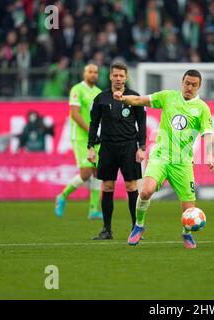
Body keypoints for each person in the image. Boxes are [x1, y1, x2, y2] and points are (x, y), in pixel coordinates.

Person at [113, 69, 214, 249]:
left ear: (199, 87)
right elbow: (139, 100)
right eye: (187, 83)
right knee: (145, 191)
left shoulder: (202, 109)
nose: (189, 87)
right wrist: (123, 98)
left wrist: (209, 155)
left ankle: (187, 234)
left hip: (182, 163)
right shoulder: (168, 97)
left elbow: (207, 134)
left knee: (189, 208)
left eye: (194, 85)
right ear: (182, 82)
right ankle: (138, 225)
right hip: (160, 157)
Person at [88, 62, 147, 240]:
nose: (119, 78)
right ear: (110, 76)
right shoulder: (101, 98)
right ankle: (107, 230)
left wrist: (142, 147)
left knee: (131, 186)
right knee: (107, 186)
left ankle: (135, 229)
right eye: (115, 75)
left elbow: (142, 123)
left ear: (126, 77)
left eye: (122, 76)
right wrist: (91, 147)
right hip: (107, 147)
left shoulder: (135, 97)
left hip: (129, 146)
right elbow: (94, 124)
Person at [55, 64, 103, 220]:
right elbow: (75, 114)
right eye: (90, 71)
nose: (93, 74)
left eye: (95, 72)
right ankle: (62, 196)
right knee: (85, 172)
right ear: (84, 73)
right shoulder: (77, 89)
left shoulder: (99, 93)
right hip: (81, 137)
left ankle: (93, 209)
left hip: (96, 138)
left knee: (97, 172)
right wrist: (91, 132)